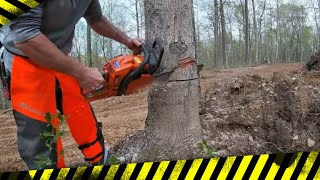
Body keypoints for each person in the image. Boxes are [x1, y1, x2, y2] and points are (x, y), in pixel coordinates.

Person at [0, 0, 142, 170]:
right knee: (42, 140)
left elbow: (96, 19)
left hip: (60, 57)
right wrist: (82, 73)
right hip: (25, 61)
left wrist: (127, 41)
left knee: (82, 116)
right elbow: (25, 38)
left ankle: (102, 160)